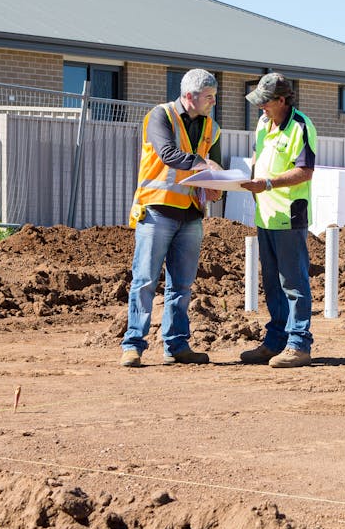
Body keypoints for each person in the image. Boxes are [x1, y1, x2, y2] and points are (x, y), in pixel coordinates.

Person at [120, 69, 222, 367]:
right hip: (158, 210)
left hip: (191, 214)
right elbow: (167, 154)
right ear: (189, 96)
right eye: (208, 97)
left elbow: (213, 170)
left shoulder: (211, 128)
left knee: (182, 284)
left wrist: (216, 187)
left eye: (214, 97)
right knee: (145, 280)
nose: (213, 103)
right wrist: (205, 164)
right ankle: (133, 345)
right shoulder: (160, 116)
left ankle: (176, 345)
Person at [238, 73, 317, 368]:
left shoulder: (300, 126)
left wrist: (268, 184)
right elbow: (259, 157)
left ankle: (299, 344)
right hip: (266, 214)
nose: (261, 108)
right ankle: (276, 341)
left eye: (266, 103)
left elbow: (305, 171)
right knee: (272, 282)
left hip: (289, 215)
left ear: (282, 100)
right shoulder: (262, 124)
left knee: (293, 282)